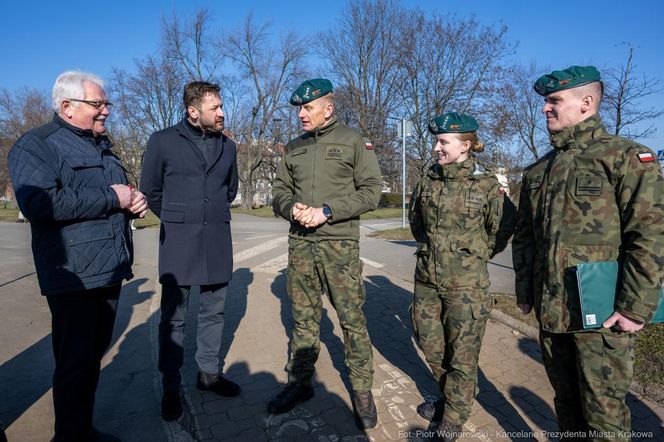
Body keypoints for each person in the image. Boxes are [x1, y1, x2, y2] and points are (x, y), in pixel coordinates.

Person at [512, 66, 664, 440]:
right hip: (553, 313)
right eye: (546, 102)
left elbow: (650, 232)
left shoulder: (625, 157)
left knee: (604, 416)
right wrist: (525, 291)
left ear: (586, 103)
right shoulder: (537, 172)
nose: (545, 109)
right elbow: (525, 236)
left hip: (603, 316)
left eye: (554, 101)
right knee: (567, 407)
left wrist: (635, 307)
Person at [8, 70, 148, 442]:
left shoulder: (102, 146)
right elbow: (39, 202)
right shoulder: (37, 145)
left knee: (90, 359)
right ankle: (69, 436)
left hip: (109, 270)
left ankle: (81, 430)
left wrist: (133, 202)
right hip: (74, 275)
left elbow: (114, 193)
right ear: (67, 106)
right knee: (75, 363)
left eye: (107, 104)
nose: (106, 111)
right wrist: (112, 198)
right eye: (98, 104)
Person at [270, 78, 383, 429]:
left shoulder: (353, 141)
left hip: (339, 244)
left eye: (308, 108)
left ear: (328, 108)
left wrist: (328, 210)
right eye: (299, 110)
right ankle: (300, 383)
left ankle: (362, 390)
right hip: (301, 244)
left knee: (351, 319)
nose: (301, 115)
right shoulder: (293, 147)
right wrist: (292, 208)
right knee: (303, 318)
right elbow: (279, 191)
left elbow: (372, 191)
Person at [408, 112, 516, 441]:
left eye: (443, 141)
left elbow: (503, 228)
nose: (436, 147)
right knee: (429, 343)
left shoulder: (486, 186)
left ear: (465, 145)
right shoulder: (428, 180)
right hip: (427, 279)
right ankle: (456, 394)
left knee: (463, 354)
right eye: (436, 141)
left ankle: (454, 414)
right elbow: (417, 223)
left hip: (466, 287)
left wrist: (477, 254)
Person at [140, 81, 241, 422]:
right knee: (175, 318)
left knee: (214, 312)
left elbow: (230, 189)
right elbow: (150, 190)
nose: (222, 113)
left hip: (216, 240)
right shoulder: (163, 141)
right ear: (193, 111)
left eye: (222, 106)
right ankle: (171, 384)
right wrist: (178, 219)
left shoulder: (228, 147)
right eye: (215, 108)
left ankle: (208, 374)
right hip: (179, 244)